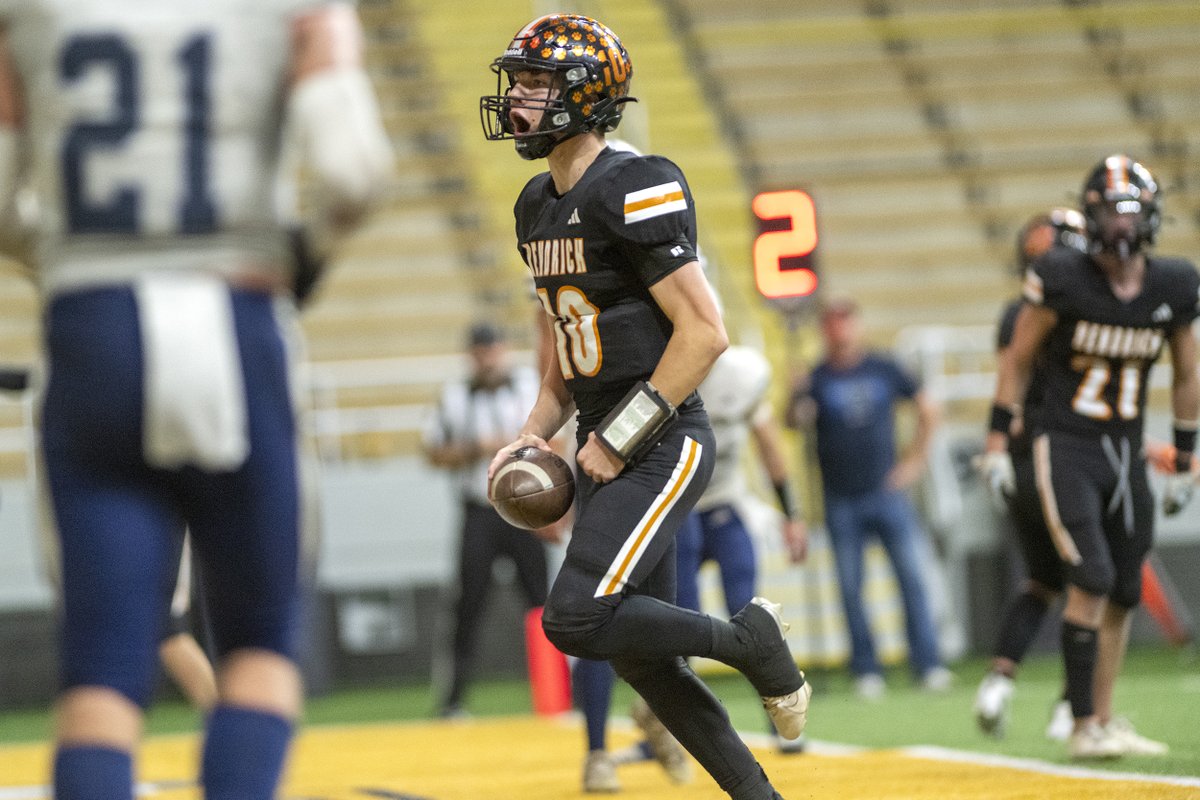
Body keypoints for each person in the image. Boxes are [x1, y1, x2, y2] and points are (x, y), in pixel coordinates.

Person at [0, 2, 393, 798]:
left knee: (102, 674)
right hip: (235, 316)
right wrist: (302, 256)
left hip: (93, 328)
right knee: (256, 648)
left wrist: (75, 261)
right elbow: (355, 172)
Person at [482, 14, 810, 800]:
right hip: (605, 436)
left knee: (575, 619)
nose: (517, 99)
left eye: (534, 84)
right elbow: (568, 344)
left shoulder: (635, 182)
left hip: (662, 439)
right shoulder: (536, 204)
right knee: (639, 656)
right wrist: (533, 434)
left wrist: (619, 438)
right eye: (516, 82)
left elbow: (705, 332)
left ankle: (748, 641)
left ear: (582, 96)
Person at [979, 154, 1198, 759]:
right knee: (1091, 575)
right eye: (1109, 210)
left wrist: (1184, 452)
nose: (1122, 225)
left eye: (1132, 211)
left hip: (1125, 444)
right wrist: (998, 443)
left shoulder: (1174, 283)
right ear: (1090, 215)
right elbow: (1017, 360)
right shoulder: (1062, 276)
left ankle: (1099, 718)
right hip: (1065, 443)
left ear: (1152, 216)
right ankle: (1078, 727)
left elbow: (1186, 371)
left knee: (1124, 587)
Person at [787, 298, 951, 699]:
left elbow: (929, 408)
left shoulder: (884, 367)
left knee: (911, 579)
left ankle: (928, 662)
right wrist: (795, 397)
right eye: (833, 324)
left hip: (886, 490)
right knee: (849, 586)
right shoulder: (815, 378)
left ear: (856, 326)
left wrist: (914, 462)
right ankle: (866, 667)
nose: (840, 331)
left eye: (845, 322)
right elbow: (792, 423)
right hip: (840, 497)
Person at [973, 208, 1088, 738]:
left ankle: (998, 682)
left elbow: (1008, 383)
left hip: (1020, 458)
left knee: (1042, 580)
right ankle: (1073, 703)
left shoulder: (1016, 310)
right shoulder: (1081, 308)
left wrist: (998, 445)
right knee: (1090, 580)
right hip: (1063, 456)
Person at [422, 321, 558, 718]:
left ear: (503, 350)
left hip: (524, 507)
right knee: (468, 603)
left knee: (542, 601)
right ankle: (453, 699)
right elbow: (432, 451)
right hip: (479, 511)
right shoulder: (454, 396)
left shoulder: (529, 387)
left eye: (492, 349)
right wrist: (472, 449)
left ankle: (560, 693)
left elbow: (554, 437)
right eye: (480, 351)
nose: (487, 358)